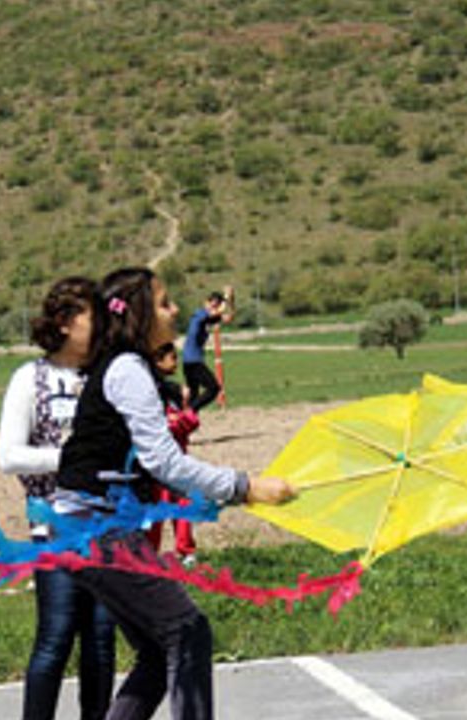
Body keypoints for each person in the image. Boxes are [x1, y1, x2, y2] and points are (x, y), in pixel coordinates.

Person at [56, 267, 293, 720]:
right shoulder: (127, 369)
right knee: (186, 630)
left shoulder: (127, 367)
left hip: (85, 525)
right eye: (164, 303)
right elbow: (165, 462)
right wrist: (246, 487)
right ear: (138, 315)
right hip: (94, 525)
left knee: (156, 649)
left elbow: (154, 467)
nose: (175, 309)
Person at [0, 277, 115, 720]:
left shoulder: (107, 375)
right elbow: (9, 456)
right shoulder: (31, 378)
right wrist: (70, 458)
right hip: (54, 528)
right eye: (92, 318)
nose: (101, 328)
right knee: (57, 635)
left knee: (101, 640)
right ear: (64, 322)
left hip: (108, 526)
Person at [145, 342, 200, 567]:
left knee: (183, 505)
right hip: (155, 466)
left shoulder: (176, 392)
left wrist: (183, 415)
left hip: (178, 462)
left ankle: (186, 551)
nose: (176, 362)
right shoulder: (148, 393)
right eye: (172, 358)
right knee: (156, 511)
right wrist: (171, 423)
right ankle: (148, 554)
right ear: (157, 361)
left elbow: (191, 421)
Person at [181, 288, 233, 412]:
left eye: (216, 305)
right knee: (213, 388)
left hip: (191, 360)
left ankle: (187, 415)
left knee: (194, 395)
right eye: (212, 304)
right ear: (206, 303)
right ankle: (189, 411)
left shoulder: (208, 318)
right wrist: (226, 297)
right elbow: (217, 312)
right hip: (193, 361)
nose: (213, 308)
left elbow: (228, 318)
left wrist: (231, 301)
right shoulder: (200, 314)